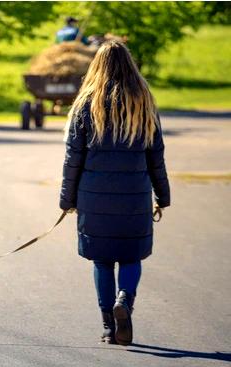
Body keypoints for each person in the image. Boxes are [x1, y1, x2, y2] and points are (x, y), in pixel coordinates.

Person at [59, 41, 170, 346]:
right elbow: (155, 156)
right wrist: (163, 195)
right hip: (135, 197)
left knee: (103, 261)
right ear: (130, 67)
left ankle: (109, 325)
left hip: (93, 199)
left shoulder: (86, 105)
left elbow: (73, 158)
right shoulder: (143, 102)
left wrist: (67, 200)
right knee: (132, 256)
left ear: (97, 66)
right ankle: (126, 300)